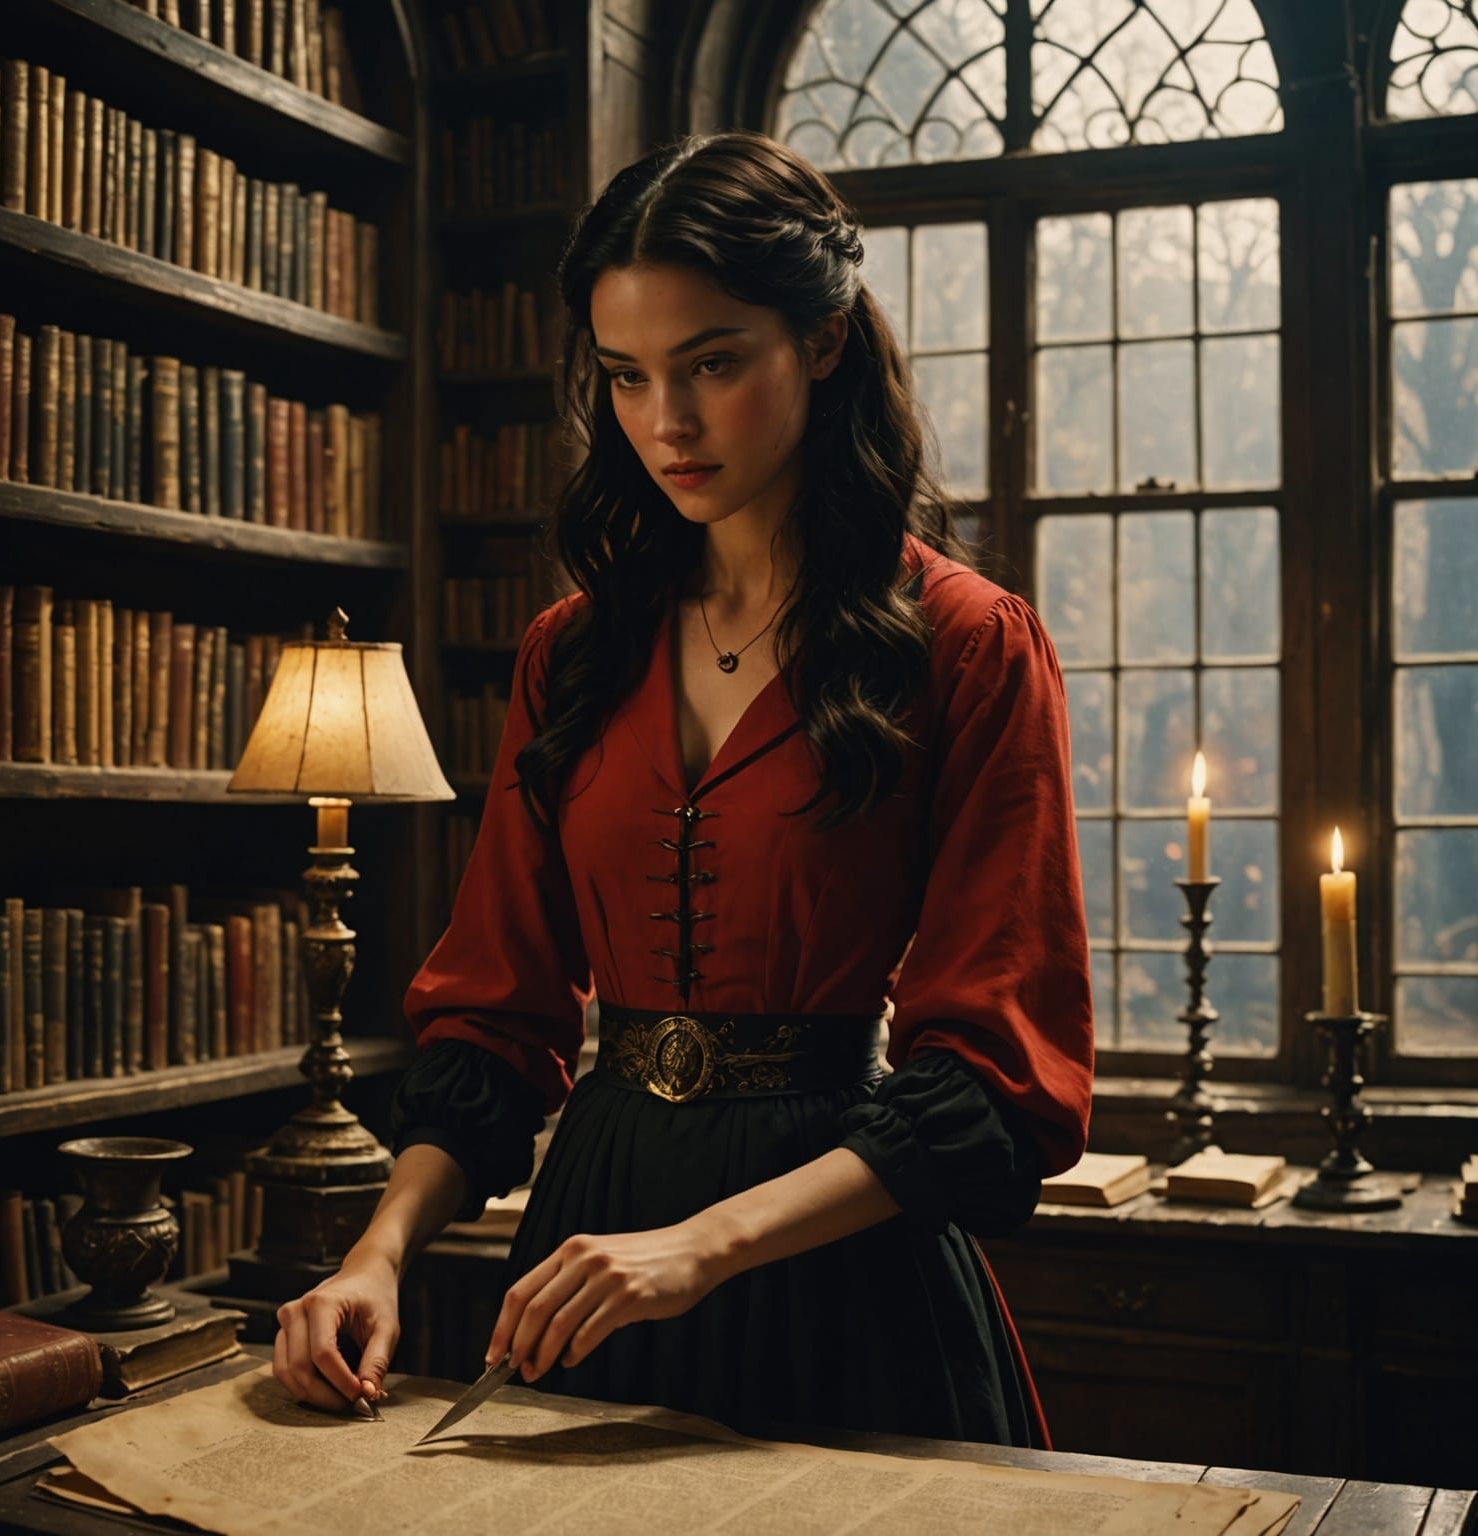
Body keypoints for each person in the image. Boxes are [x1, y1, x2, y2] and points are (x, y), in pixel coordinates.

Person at [272, 128, 1093, 1448]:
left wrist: (701, 1249)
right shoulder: (574, 653)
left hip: (837, 1255)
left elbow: (999, 1075)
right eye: (627, 375)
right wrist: (378, 1252)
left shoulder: (970, 645)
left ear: (822, 340)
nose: (667, 422)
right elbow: (496, 1014)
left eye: (712, 362)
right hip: (590, 1242)